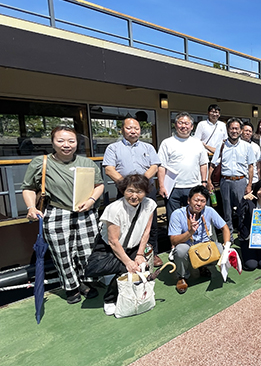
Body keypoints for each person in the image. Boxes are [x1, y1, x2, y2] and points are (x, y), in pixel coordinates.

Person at [21, 126, 104, 304]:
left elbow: (99, 185)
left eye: (71, 141)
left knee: (86, 251)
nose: (66, 145)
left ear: (77, 143)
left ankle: (85, 282)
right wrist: (30, 207)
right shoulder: (41, 163)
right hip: (57, 211)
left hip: (85, 212)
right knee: (61, 252)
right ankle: (70, 287)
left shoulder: (87, 163)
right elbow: (29, 188)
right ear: (53, 142)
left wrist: (91, 200)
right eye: (61, 141)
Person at [102, 117, 161, 262]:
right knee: (125, 222)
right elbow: (109, 169)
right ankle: (126, 253)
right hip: (125, 191)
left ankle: (151, 253)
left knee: (150, 223)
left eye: (136, 128)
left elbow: (155, 166)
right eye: (129, 128)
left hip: (147, 190)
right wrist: (128, 185)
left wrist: (141, 183)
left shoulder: (148, 147)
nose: (133, 131)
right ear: (122, 130)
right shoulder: (113, 148)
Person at [97, 174, 156, 315]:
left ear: (146, 192)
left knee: (141, 267)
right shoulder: (114, 209)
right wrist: (128, 262)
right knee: (125, 269)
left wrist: (140, 254)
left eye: (139, 192)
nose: (134, 196)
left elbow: (146, 231)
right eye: (130, 191)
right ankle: (110, 299)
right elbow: (113, 241)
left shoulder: (149, 204)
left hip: (134, 245)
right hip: (112, 247)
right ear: (123, 190)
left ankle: (133, 295)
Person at [168, 185, 231, 294]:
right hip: (187, 245)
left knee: (221, 250)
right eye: (196, 200)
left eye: (202, 201)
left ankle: (203, 266)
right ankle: (182, 276)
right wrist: (190, 232)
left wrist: (226, 246)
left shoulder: (209, 210)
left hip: (204, 244)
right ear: (188, 200)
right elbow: (173, 240)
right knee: (181, 250)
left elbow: (225, 228)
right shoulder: (177, 214)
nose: (199, 204)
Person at [157, 112, 209, 221]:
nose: (183, 126)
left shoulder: (198, 143)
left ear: (191, 126)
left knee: (194, 217)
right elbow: (161, 166)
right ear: (175, 125)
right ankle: (175, 238)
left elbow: (203, 164)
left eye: (186, 123)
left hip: (193, 186)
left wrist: (204, 182)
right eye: (180, 123)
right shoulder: (167, 143)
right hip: (172, 188)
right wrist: (161, 186)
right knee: (173, 218)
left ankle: (193, 237)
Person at [208, 117, 254, 232]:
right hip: (225, 181)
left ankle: (242, 231)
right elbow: (212, 165)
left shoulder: (247, 146)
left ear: (241, 130)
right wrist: (208, 181)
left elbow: (251, 167)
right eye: (232, 128)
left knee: (241, 208)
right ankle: (229, 232)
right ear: (228, 130)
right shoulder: (222, 145)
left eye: (237, 128)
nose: (234, 131)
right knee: (226, 209)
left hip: (241, 181)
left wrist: (249, 185)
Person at [237, 179, 261, 271]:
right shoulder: (250, 203)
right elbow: (238, 214)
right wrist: (244, 199)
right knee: (251, 265)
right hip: (248, 239)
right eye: (259, 190)